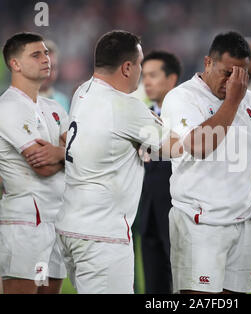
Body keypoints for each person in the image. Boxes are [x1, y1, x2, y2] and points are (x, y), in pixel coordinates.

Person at [161, 31, 251, 294]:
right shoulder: (182, 98)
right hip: (199, 222)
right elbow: (201, 146)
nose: (234, 82)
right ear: (207, 63)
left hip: (243, 223)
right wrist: (233, 101)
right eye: (227, 73)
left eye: (241, 75)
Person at [54, 30, 165, 294]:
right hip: (102, 236)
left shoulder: (82, 92)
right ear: (127, 67)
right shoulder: (127, 107)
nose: (141, 71)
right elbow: (179, 146)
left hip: (70, 227)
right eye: (139, 64)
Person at [0, 32, 68, 294]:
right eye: (36, 54)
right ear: (15, 64)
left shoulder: (54, 107)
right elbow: (42, 167)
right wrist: (66, 154)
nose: (46, 59)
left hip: (57, 219)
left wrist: (59, 154)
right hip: (24, 223)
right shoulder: (8, 107)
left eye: (46, 53)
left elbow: (83, 153)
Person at [139, 51, 181, 293]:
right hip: (148, 212)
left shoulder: (188, 116)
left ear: (172, 78)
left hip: (178, 211)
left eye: (153, 75)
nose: (146, 81)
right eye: (144, 75)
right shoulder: (140, 115)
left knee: (183, 283)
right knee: (154, 286)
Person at [39, 40, 71, 113]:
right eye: (44, 66)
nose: (48, 73)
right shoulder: (20, 100)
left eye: (53, 67)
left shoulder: (63, 102)